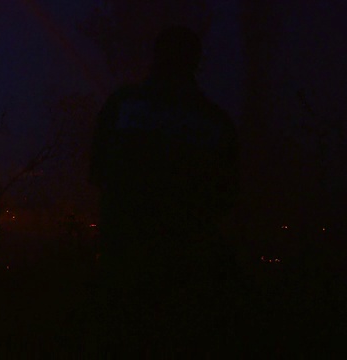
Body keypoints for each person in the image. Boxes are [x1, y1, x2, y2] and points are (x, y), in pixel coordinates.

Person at [89, 25, 240, 352]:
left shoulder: (122, 106)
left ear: (155, 58)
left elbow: (97, 171)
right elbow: (227, 197)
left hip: (123, 265)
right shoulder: (215, 122)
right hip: (186, 275)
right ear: (196, 62)